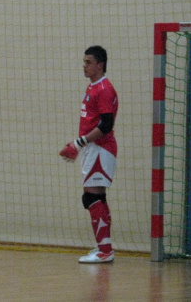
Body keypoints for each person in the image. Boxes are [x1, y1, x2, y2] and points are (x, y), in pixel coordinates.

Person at [59, 45, 118, 263]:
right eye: (84, 62)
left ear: (99, 65)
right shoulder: (92, 87)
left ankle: (105, 251)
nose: (84, 66)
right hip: (92, 149)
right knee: (97, 197)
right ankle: (104, 247)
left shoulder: (104, 89)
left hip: (101, 149)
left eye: (88, 62)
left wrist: (78, 143)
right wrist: (79, 145)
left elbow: (106, 125)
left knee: (91, 196)